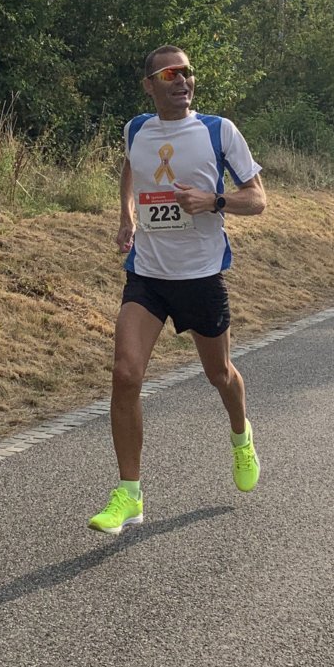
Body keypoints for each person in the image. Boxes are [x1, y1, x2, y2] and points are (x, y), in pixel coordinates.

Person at [88, 45, 267, 535]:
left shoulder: (218, 131)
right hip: (148, 275)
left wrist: (214, 201)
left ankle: (241, 437)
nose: (182, 81)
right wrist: (126, 215)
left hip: (201, 276)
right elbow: (132, 166)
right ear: (149, 85)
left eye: (186, 72)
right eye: (169, 74)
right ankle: (129, 494)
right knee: (125, 374)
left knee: (220, 374)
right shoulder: (136, 129)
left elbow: (258, 199)